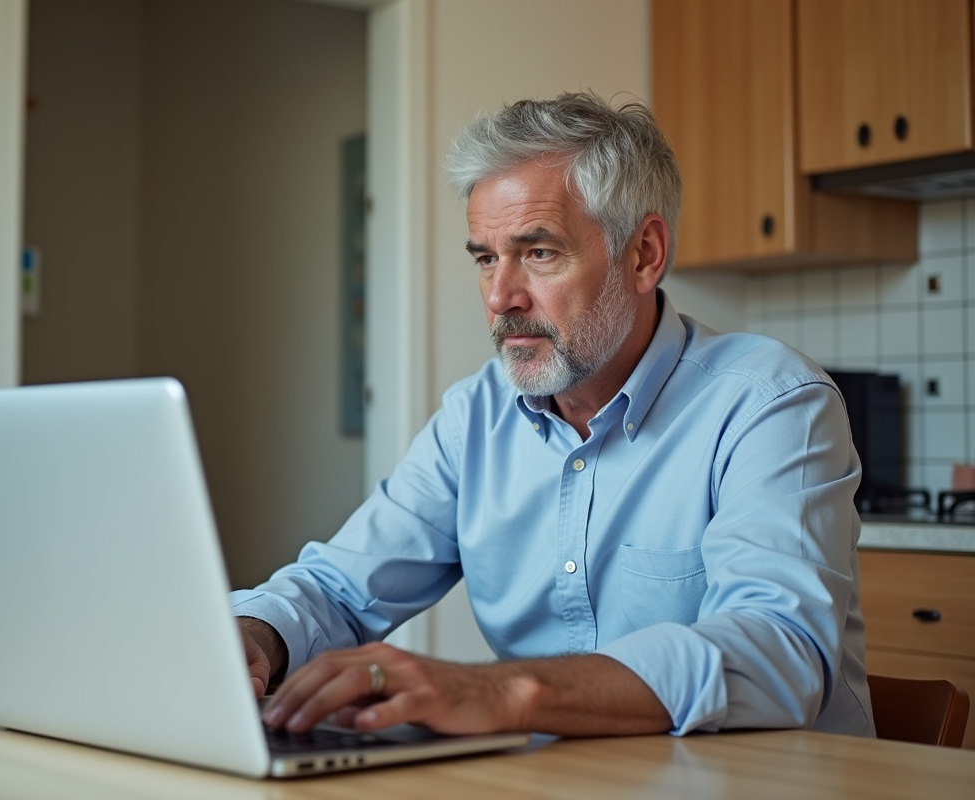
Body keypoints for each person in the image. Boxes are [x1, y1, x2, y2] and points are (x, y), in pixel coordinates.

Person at [231, 91, 874, 740]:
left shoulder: (770, 403)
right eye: (486, 258)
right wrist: (254, 637)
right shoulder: (474, 417)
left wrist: (503, 690)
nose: (500, 298)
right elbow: (339, 588)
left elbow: (777, 654)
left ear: (644, 254)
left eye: (538, 253)